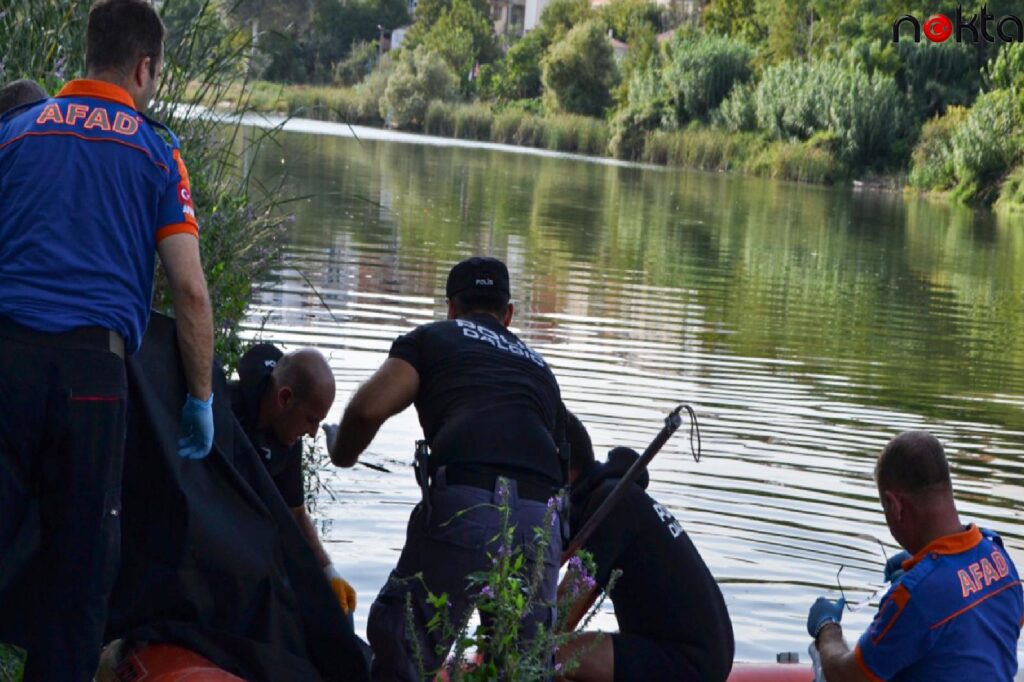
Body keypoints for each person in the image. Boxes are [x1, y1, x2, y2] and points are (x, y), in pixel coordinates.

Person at [0, 0, 215, 679]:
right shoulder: (157, 153)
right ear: (145, 68)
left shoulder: (13, 134)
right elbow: (189, 292)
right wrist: (201, 398)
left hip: (4, 366)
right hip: (91, 380)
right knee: (78, 578)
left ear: (86, 54)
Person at [330, 255, 565, 680]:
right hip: (540, 514)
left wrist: (341, 453)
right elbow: (574, 458)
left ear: (451, 308)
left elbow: (367, 410)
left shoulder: (434, 338)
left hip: (466, 500)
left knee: (405, 644)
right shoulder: (539, 369)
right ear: (508, 314)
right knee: (522, 669)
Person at [807, 431, 1023, 682]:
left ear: (895, 506)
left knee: (823, 662)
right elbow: (1001, 624)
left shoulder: (913, 594)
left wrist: (827, 627)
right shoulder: (998, 555)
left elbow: (846, 676)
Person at [556, 414, 735, 682]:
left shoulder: (611, 506)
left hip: (687, 662)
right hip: (704, 654)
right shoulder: (615, 496)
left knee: (546, 655)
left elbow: (562, 613)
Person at [228, 343, 357, 616]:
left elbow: (295, 513)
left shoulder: (287, 435)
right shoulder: (224, 410)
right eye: (310, 420)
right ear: (285, 398)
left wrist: (328, 571)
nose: (312, 433)